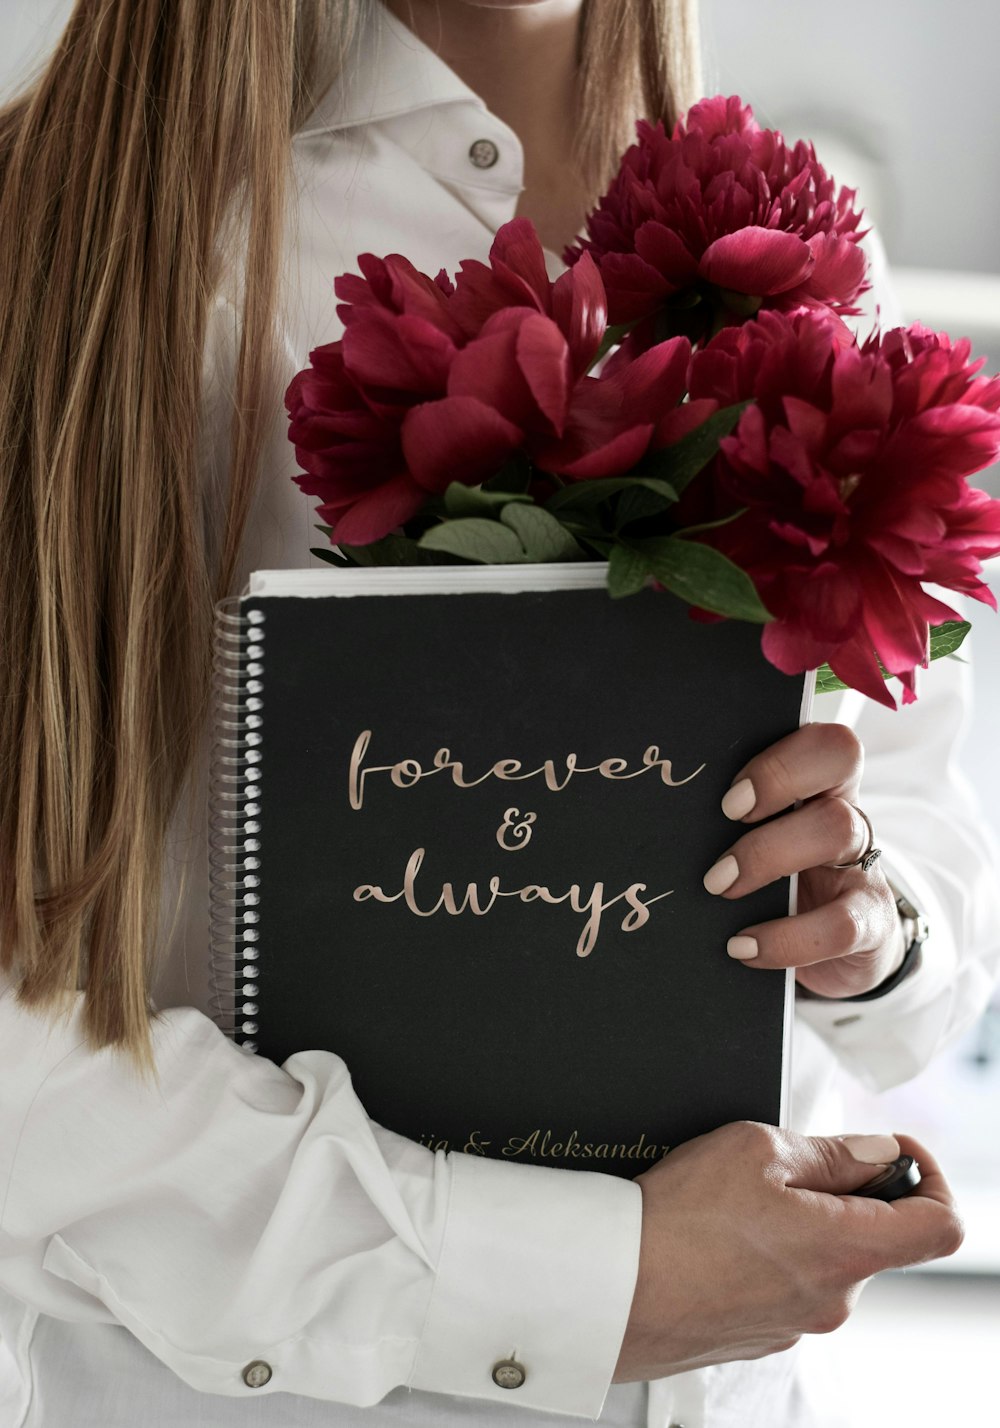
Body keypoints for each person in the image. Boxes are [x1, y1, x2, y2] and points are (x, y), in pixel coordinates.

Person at [0, 2, 996, 1426]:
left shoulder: (805, 249)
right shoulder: (58, 241)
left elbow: (932, 890)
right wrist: (588, 1289)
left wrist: (873, 923)